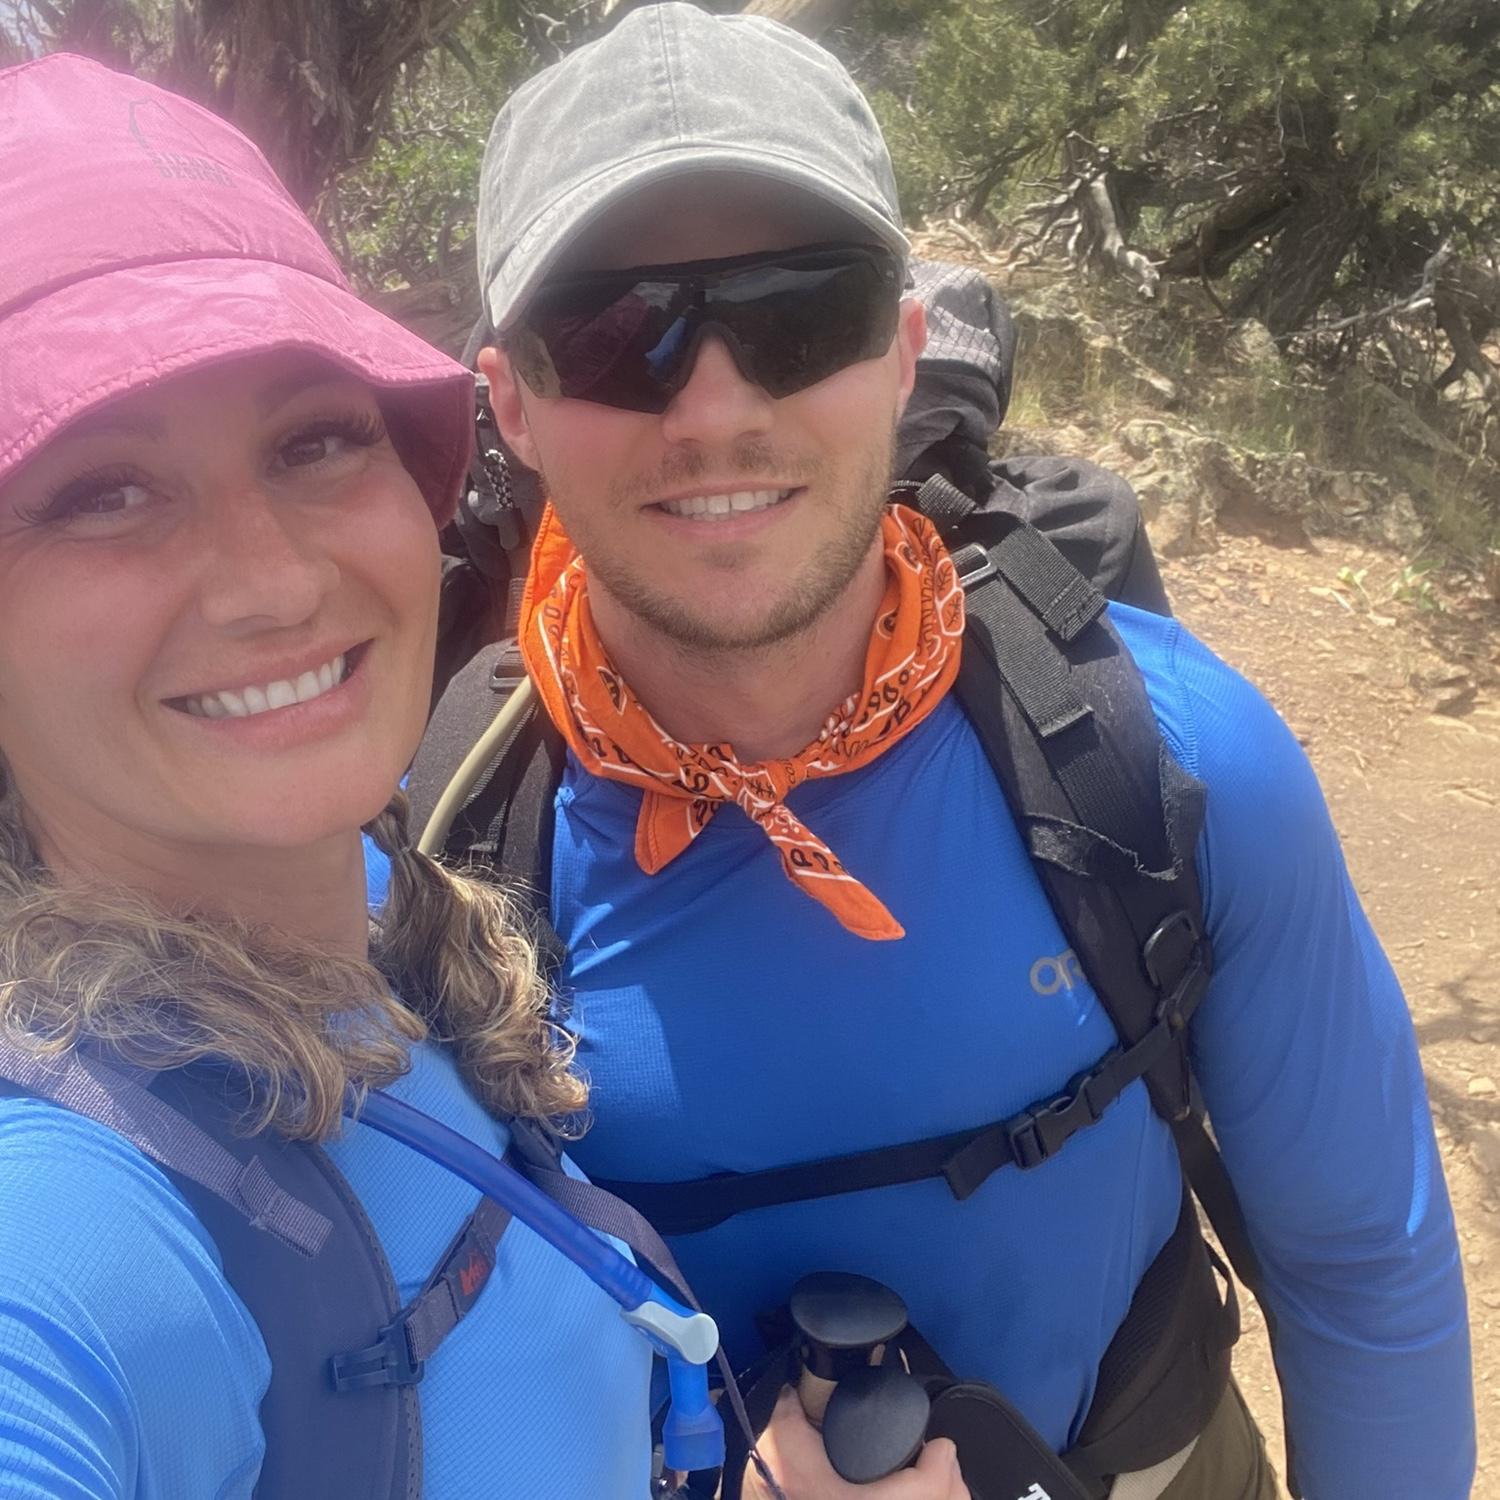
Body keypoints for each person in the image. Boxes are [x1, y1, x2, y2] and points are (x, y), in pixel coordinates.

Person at [421, 6, 1474, 1498]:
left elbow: (1365, 1276)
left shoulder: (1165, 754)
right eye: (615, 328)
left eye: (803, 313)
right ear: (511, 401)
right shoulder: (435, 843)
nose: (718, 408)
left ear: (908, 349)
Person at [0, 52, 968, 1500]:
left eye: (315, 440)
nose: (271, 580)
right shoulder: (71, 1235)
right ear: (512, 408)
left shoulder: (394, 920)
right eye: (100, 490)